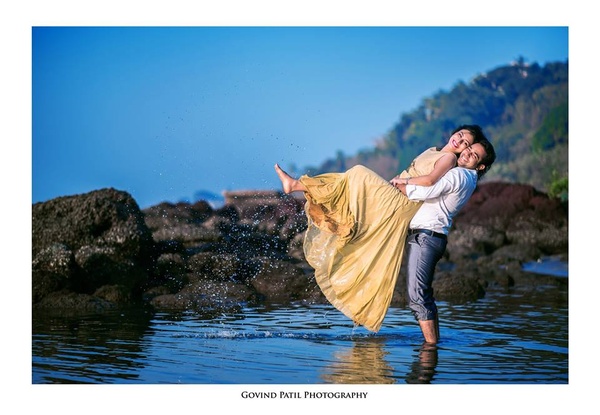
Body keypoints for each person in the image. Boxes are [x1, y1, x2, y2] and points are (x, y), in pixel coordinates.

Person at [274, 125, 488, 332]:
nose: (459, 141)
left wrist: (404, 181)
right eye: (460, 135)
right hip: (399, 191)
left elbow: (431, 181)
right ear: (454, 132)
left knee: (358, 173)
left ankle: (298, 186)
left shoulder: (450, 159)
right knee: (359, 217)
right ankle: (310, 197)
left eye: (465, 143)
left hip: (403, 200)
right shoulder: (435, 150)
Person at [394, 139, 496, 344]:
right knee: (422, 295)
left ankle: (431, 348)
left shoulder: (459, 174)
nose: (467, 153)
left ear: (480, 166)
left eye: (474, 155)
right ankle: (433, 344)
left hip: (427, 236)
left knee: (418, 297)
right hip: (430, 237)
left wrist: (401, 184)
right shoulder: (468, 178)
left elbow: (428, 190)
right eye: (469, 149)